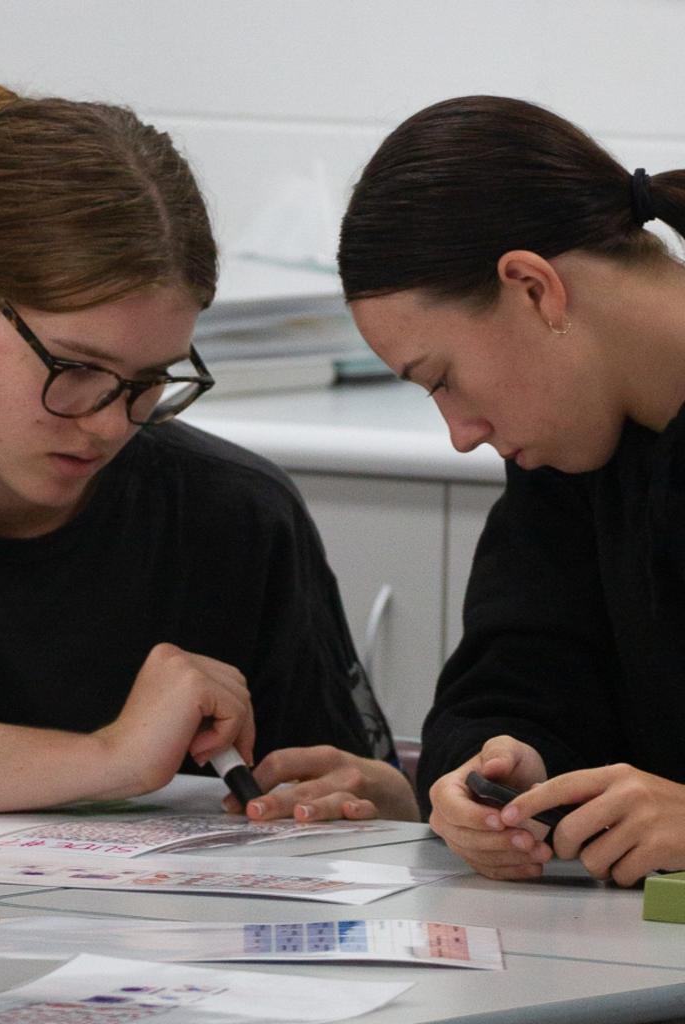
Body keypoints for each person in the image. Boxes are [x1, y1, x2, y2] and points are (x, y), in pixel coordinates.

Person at [0, 81, 397, 814]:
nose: (112, 425)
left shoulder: (234, 519)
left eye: (149, 380)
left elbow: (344, 798)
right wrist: (109, 756)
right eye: (74, 369)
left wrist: (390, 806)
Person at [252, 93, 685, 888]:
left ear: (532, 288)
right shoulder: (572, 455)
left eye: (442, 379)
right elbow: (511, 679)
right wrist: (486, 777)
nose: (460, 432)